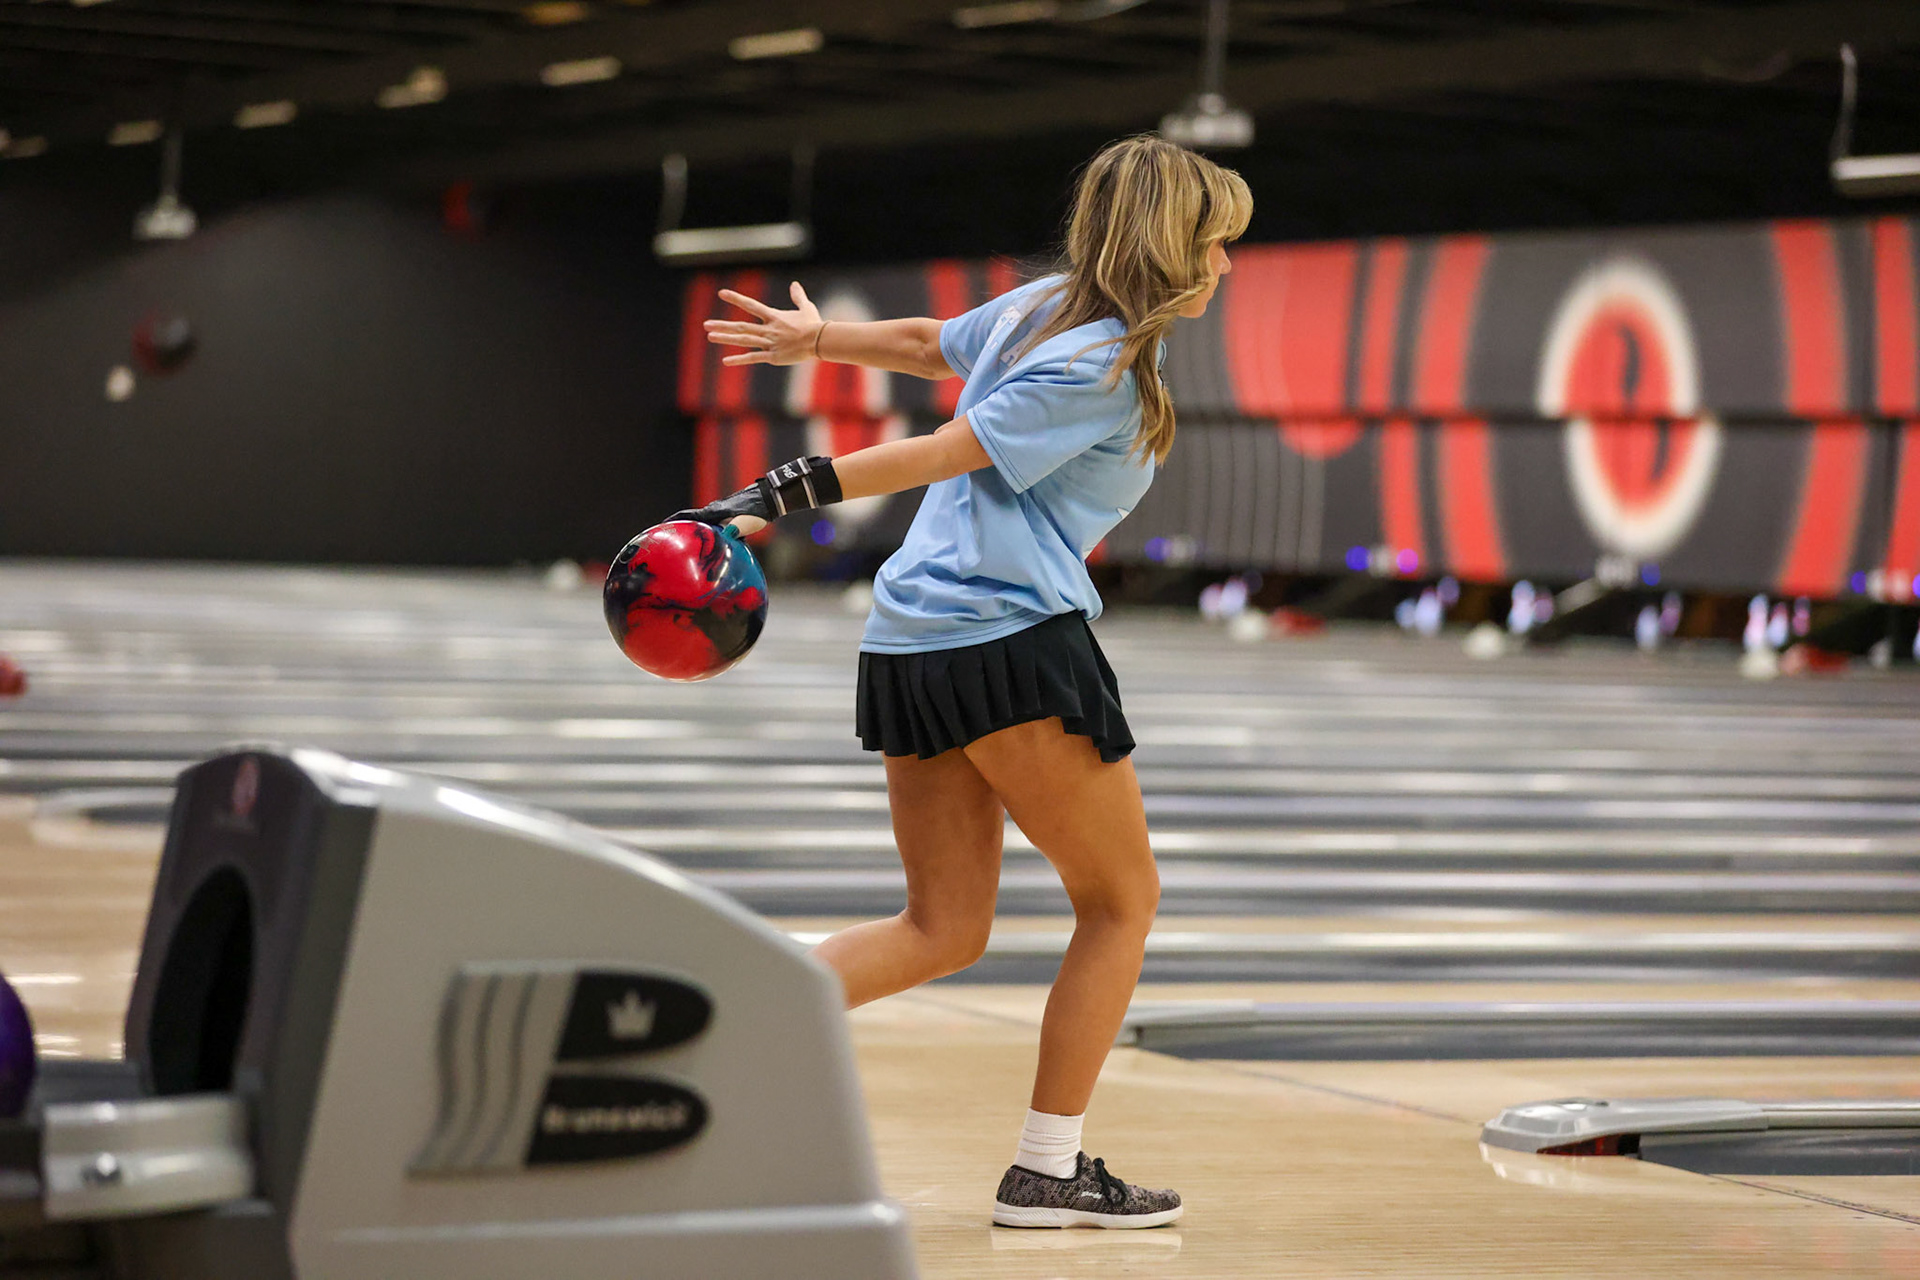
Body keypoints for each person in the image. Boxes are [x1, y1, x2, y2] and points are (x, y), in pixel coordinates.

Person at [679, 133, 1251, 1228]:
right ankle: (1048, 1167)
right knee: (1122, 901)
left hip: (913, 635)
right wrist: (772, 493)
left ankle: (722, 1020)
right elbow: (949, 447)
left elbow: (926, 342)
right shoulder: (1098, 365)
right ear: (1175, 247)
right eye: (1218, 244)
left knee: (941, 925)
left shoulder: (1044, 309)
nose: (1225, 268)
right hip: (1011, 636)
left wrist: (820, 340)